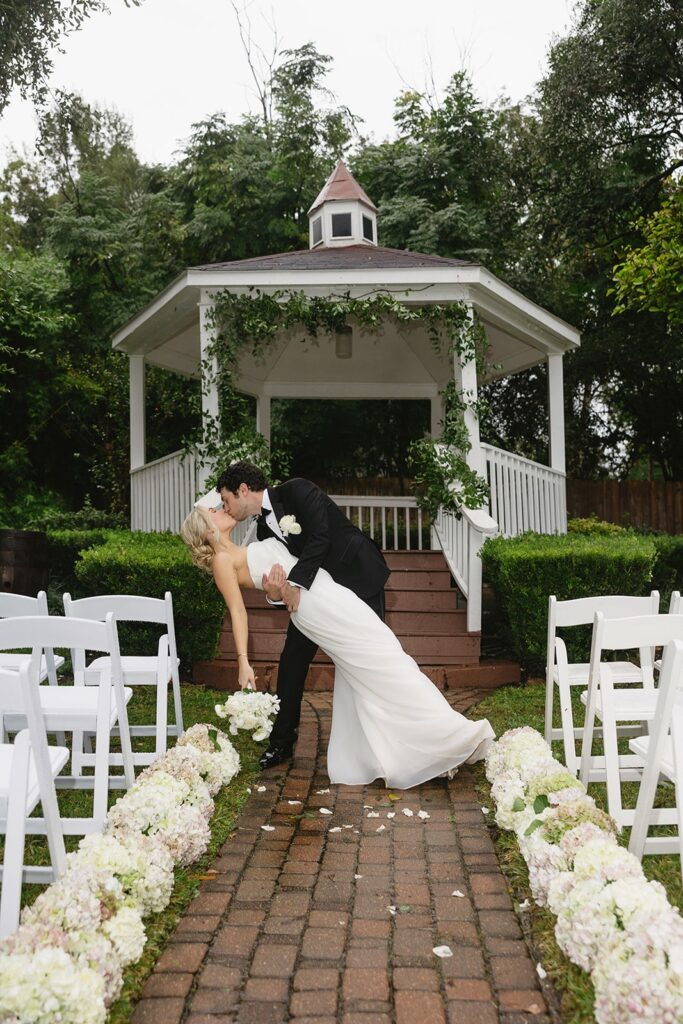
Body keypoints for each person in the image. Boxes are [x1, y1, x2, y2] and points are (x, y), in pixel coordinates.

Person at [180, 505, 495, 790]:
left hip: (330, 593)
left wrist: (276, 592)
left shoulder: (243, 546)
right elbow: (236, 610)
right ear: (209, 530)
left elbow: (280, 579)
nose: (221, 508)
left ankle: (412, 746)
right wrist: (243, 660)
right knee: (384, 661)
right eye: (214, 510)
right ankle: (444, 736)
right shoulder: (222, 559)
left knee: (381, 661)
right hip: (317, 609)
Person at [215, 463, 390, 770]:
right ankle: (281, 742)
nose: (226, 508)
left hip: (358, 577)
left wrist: (294, 584)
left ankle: (382, 741)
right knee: (292, 661)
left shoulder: (297, 489)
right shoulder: (263, 529)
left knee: (372, 660)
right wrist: (274, 592)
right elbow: (277, 580)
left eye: (226, 500)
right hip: (318, 598)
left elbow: (321, 536)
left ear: (243, 490)